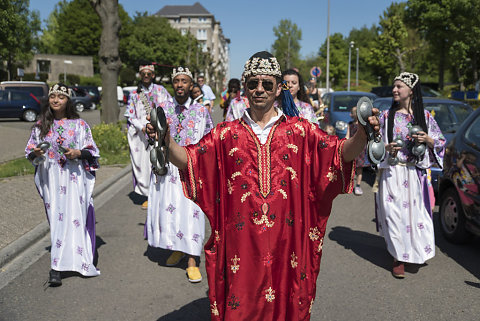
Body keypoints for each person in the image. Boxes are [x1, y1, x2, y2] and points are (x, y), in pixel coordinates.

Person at [147, 51, 379, 320]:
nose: (260, 89)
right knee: (241, 304)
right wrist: (166, 142)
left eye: (267, 84)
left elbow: (340, 154)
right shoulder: (225, 134)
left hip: (287, 242)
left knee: (286, 301)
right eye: (253, 83)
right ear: (245, 87)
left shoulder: (301, 131)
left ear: (279, 88)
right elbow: (189, 159)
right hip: (240, 245)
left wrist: (362, 134)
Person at [25, 83, 101, 286]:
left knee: (76, 217)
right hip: (52, 178)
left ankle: (80, 260)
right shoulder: (40, 126)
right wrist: (37, 154)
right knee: (57, 221)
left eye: (61, 96)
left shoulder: (79, 125)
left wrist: (78, 153)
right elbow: (29, 153)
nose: (56, 100)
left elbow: (92, 151)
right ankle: (57, 267)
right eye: (53, 96)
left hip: (74, 178)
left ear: (68, 101)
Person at [146, 66, 213, 283]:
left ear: (191, 84)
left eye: (184, 81)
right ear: (173, 84)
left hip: (191, 168)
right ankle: (178, 247)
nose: (180, 85)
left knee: (192, 213)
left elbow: (209, 140)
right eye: (177, 81)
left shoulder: (201, 111)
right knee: (171, 211)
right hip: (168, 168)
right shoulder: (162, 108)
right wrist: (151, 132)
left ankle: (192, 260)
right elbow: (154, 138)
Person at [375, 72, 445, 278]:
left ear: (411, 91)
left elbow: (441, 142)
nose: (395, 90)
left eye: (400, 86)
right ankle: (398, 257)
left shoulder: (425, 118)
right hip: (392, 171)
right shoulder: (387, 116)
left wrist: (429, 140)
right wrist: (386, 149)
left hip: (414, 174)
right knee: (393, 215)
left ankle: (414, 251)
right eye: (394, 86)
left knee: (414, 217)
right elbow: (373, 146)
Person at [124, 63, 172, 209]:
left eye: (148, 73)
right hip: (141, 134)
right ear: (140, 75)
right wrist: (142, 127)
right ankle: (148, 196)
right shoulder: (135, 93)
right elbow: (130, 116)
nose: (146, 76)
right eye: (143, 73)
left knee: (161, 161)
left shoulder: (160, 90)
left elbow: (169, 108)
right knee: (145, 165)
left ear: (153, 75)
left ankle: (162, 193)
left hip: (159, 132)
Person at [346, 106, 368, 195]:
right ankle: (349, 185)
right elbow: (347, 135)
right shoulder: (350, 124)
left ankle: (358, 186)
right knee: (351, 167)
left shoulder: (362, 124)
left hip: (361, 149)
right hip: (352, 148)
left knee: (359, 168)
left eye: (353, 112)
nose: (351, 114)